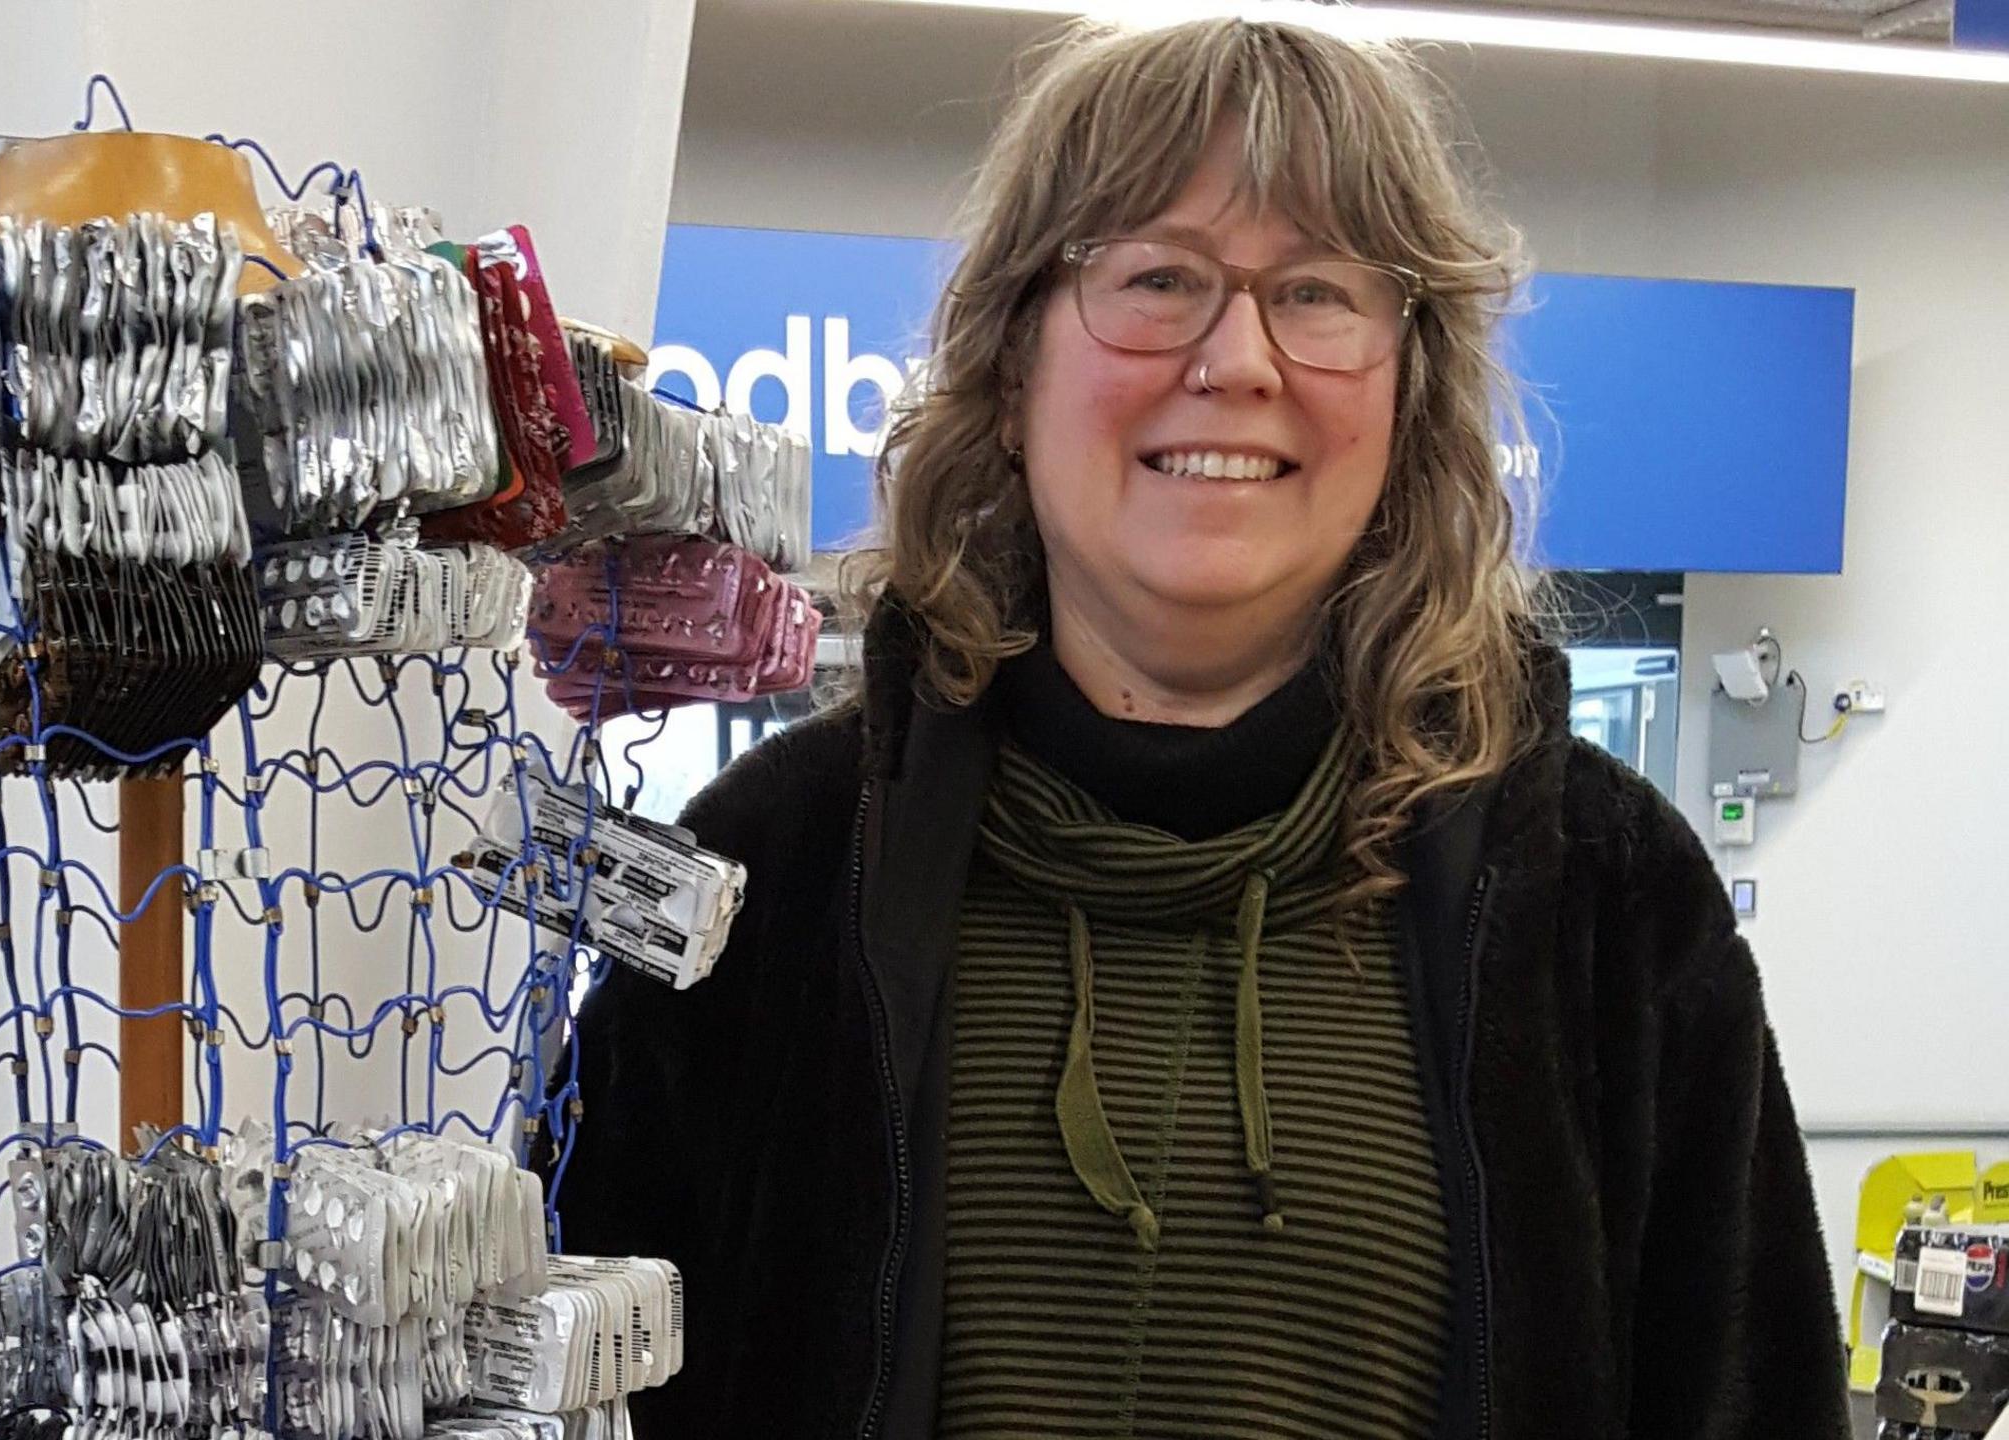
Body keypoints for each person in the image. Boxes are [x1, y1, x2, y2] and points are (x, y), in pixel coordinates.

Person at [548, 16, 1848, 1439]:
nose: (1238, 360)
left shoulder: (1607, 905)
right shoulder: (765, 881)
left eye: (1317, 292)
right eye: (1159, 278)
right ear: (1012, 356)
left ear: (1410, 384)